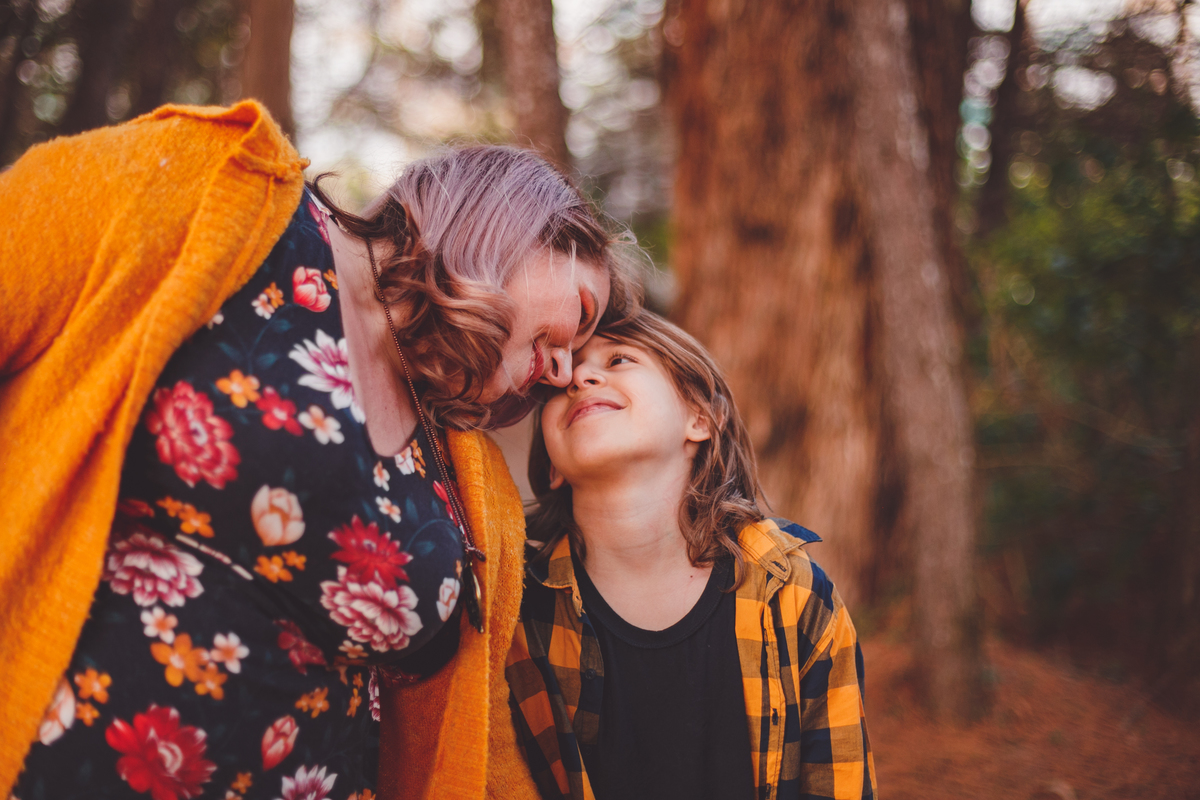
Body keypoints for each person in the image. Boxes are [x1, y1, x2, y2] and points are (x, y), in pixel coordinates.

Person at [0, 100, 636, 800]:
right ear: (514, 221)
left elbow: (483, 749)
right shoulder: (213, 186)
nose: (567, 373)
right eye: (579, 317)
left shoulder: (465, 470)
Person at [506, 310, 877, 800]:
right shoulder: (515, 611)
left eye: (618, 360)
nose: (578, 377)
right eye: (557, 386)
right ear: (550, 465)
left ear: (700, 418)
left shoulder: (794, 593)